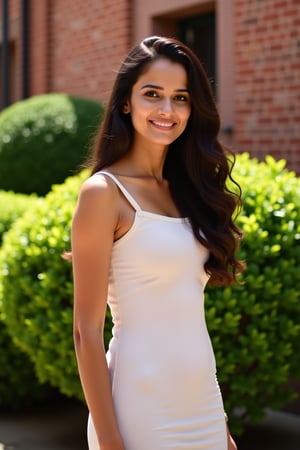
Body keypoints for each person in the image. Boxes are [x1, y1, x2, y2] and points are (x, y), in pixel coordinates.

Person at [71, 36, 244, 450]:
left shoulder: (187, 191)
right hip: (140, 411)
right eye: (152, 94)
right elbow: (86, 332)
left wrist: (221, 426)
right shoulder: (103, 193)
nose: (167, 110)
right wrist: (110, 441)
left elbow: (188, 323)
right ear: (126, 102)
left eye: (180, 97)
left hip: (202, 404)